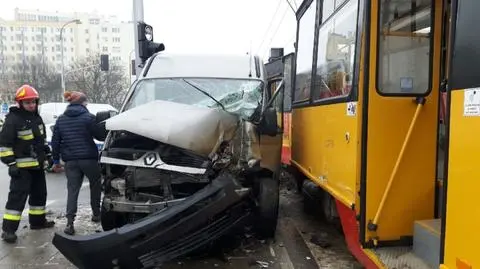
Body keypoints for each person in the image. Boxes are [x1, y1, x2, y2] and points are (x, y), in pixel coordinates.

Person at [0, 84, 55, 244]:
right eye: (27, 102)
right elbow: (4, 145)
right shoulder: (13, 120)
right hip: (21, 169)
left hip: (37, 167)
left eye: (33, 102)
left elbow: (41, 141)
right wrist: (11, 164)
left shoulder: (36, 118)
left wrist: (48, 155)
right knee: (17, 199)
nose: (31, 105)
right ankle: (8, 230)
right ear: (20, 103)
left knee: (39, 196)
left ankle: (37, 223)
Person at [51, 91, 102, 235]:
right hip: (89, 159)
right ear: (83, 103)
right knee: (95, 184)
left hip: (70, 161)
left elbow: (55, 142)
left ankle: (69, 223)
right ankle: (96, 214)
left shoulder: (61, 119)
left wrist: (56, 161)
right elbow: (100, 136)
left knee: (72, 190)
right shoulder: (89, 117)